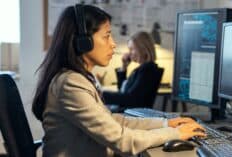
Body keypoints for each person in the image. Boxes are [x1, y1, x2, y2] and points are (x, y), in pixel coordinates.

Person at [32, 4, 206, 157]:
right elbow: (123, 140)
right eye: (107, 35)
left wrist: (166, 123)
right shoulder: (70, 84)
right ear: (83, 42)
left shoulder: (76, 79)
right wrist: (174, 133)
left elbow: (114, 121)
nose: (113, 44)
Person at [102, 31, 162, 110]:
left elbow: (131, 99)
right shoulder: (142, 69)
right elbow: (122, 91)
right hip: (125, 110)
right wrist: (124, 67)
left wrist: (102, 95)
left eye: (132, 49)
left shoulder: (148, 70)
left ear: (143, 49)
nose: (129, 53)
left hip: (130, 114)